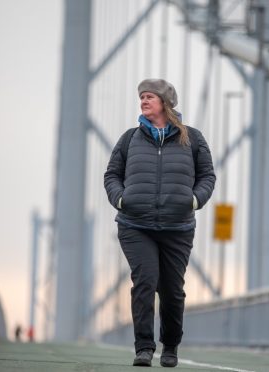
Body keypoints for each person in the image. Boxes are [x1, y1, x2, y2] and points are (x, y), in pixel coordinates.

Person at [104, 78, 216, 367]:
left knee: (172, 290)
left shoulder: (192, 139)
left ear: (165, 103)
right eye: (141, 96)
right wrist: (120, 199)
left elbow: (207, 176)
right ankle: (143, 347)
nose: (143, 100)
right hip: (135, 225)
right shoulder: (130, 139)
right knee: (145, 281)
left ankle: (170, 347)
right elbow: (112, 175)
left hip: (177, 227)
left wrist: (194, 201)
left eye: (149, 96)